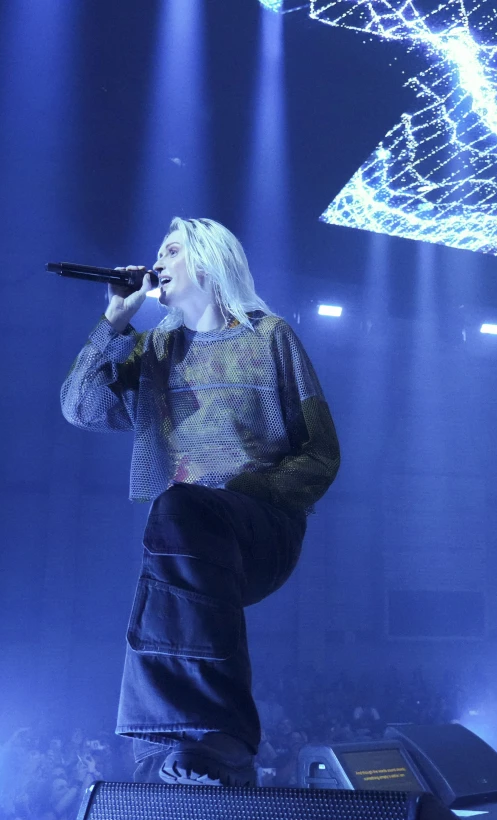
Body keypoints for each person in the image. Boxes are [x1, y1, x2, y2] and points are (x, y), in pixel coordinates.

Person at [61, 217, 340, 787]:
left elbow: (320, 453)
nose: (155, 260)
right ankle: (172, 743)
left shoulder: (269, 337)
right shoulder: (157, 348)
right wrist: (115, 320)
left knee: (180, 508)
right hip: (188, 536)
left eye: (170, 250)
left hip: (262, 530)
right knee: (169, 535)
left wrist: (243, 491)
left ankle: (225, 734)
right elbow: (81, 408)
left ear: (208, 262)